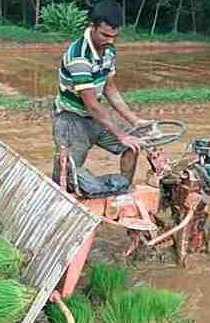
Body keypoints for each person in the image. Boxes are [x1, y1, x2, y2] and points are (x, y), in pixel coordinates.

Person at [52, 0, 152, 196]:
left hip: (95, 118)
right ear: (92, 27)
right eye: (105, 35)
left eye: (115, 36)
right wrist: (120, 134)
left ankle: (123, 193)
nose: (110, 40)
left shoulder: (108, 49)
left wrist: (135, 121)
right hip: (71, 120)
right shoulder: (79, 56)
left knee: (134, 145)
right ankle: (59, 206)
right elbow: (91, 104)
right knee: (68, 174)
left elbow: (110, 89)